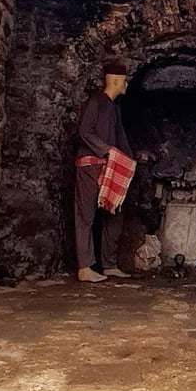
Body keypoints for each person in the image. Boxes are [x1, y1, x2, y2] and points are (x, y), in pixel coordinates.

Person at [73, 59, 136, 283]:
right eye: (125, 81)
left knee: (114, 213)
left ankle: (109, 264)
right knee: (86, 216)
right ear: (116, 81)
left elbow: (121, 140)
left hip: (109, 167)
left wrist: (131, 161)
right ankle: (85, 268)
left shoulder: (115, 109)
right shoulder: (96, 102)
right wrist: (106, 151)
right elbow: (84, 131)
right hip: (90, 166)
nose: (127, 85)